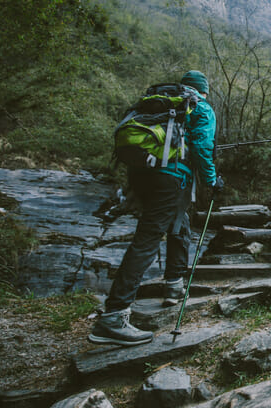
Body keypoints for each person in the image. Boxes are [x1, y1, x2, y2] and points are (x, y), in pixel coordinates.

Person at [88, 70, 221, 346]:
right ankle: (113, 317)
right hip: (171, 177)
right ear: (202, 90)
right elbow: (201, 146)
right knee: (147, 239)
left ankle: (173, 284)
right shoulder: (201, 107)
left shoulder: (160, 102)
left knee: (178, 222)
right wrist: (211, 180)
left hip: (143, 174)